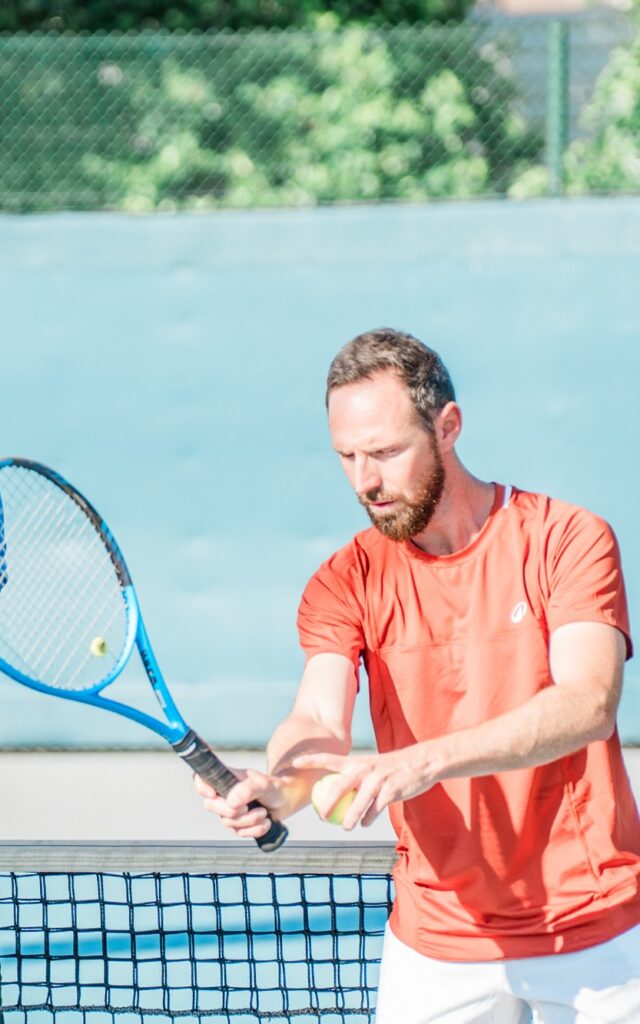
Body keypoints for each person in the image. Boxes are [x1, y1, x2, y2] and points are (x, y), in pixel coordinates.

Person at [196, 328, 640, 1023]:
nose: (364, 481)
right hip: (435, 940)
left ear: (448, 427)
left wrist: (423, 762)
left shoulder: (567, 538)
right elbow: (317, 718)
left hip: (592, 927)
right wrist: (282, 786)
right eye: (346, 456)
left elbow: (588, 702)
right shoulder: (346, 579)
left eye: (385, 452)